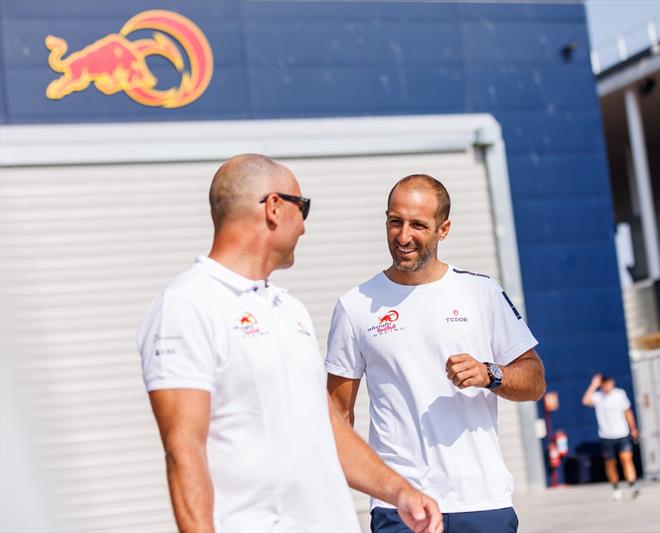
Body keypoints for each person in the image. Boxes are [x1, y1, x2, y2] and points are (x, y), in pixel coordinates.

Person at [137, 155, 442, 533]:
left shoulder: (287, 309)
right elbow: (183, 449)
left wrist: (400, 492)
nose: (303, 228)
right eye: (304, 208)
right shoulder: (186, 305)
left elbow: (325, 425)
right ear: (274, 207)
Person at [325, 174, 546, 533]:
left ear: (444, 229)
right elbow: (337, 413)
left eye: (418, 225)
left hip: (481, 500)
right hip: (399, 506)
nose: (403, 236)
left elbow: (535, 380)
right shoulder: (355, 306)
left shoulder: (481, 292)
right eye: (395, 221)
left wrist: (491, 374)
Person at [582, 374, 640, 500]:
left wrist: (633, 428)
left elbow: (627, 411)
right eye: (605, 384)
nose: (608, 386)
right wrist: (593, 385)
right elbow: (585, 401)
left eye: (609, 383)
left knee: (626, 459)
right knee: (610, 463)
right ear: (602, 385)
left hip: (622, 433)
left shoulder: (620, 394)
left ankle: (632, 484)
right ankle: (616, 488)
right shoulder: (598, 397)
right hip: (606, 436)